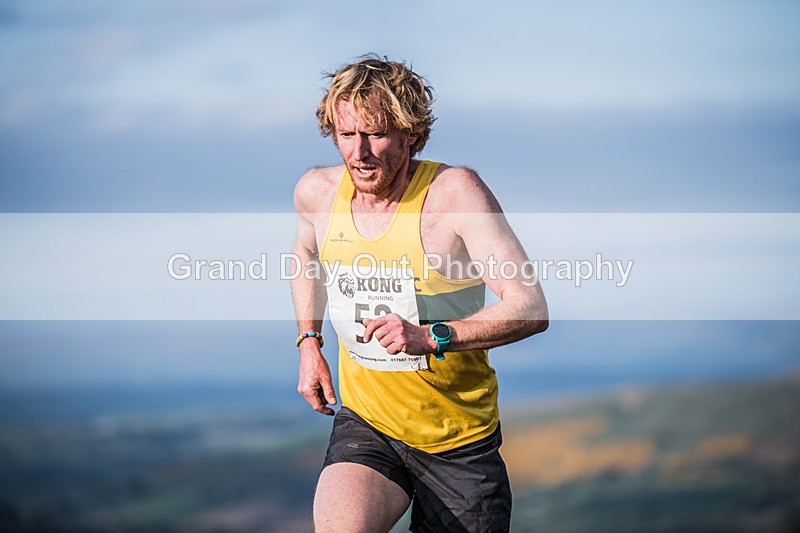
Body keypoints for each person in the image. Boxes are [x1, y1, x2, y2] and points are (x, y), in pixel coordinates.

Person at [291, 55, 548, 533]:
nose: (360, 152)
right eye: (347, 135)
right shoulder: (316, 193)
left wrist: (432, 337)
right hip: (369, 424)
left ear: (411, 133)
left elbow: (530, 308)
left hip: (459, 442)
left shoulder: (455, 194)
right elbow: (306, 257)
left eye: (376, 133)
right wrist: (310, 343)